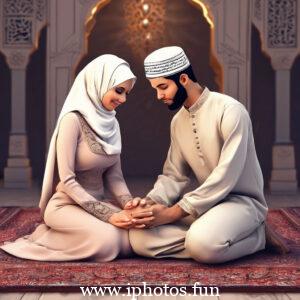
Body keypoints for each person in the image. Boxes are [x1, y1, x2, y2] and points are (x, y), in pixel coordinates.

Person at [128, 46, 289, 264]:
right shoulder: (178, 122)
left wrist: (170, 214)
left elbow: (226, 175)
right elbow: (173, 176)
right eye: (156, 89)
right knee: (140, 239)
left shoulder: (230, 110)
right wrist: (149, 205)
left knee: (203, 245)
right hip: (206, 206)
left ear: (183, 79)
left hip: (241, 203)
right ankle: (210, 240)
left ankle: (257, 235)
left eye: (163, 87)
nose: (159, 95)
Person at [0, 54, 153, 261]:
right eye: (119, 90)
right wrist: (109, 215)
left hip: (95, 204)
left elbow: (114, 177)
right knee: (109, 243)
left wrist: (129, 205)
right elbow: (67, 180)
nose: (123, 99)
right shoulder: (72, 121)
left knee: (131, 238)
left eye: (126, 93)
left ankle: (77, 232)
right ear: (98, 82)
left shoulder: (112, 124)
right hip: (65, 205)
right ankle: (46, 236)